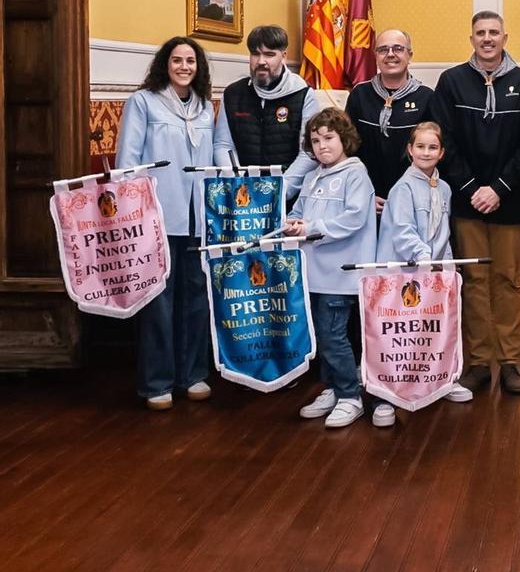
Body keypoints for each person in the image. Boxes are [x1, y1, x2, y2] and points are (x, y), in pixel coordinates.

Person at [430, 11, 520, 395]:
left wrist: (498, 188)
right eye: (481, 33)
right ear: (472, 38)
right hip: (466, 202)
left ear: (505, 37)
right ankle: (478, 362)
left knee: (507, 281)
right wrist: (471, 188)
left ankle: (510, 361)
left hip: (509, 202)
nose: (488, 39)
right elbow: (445, 142)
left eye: (494, 32)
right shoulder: (451, 81)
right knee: (474, 282)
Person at [116, 37, 215, 410]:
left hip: (197, 216)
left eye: (191, 60)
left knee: (195, 298)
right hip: (157, 212)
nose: (184, 66)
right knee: (158, 298)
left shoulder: (206, 107)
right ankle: (157, 382)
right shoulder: (143, 102)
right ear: (165, 64)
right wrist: (133, 211)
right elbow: (128, 160)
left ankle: (193, 374)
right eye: (177, 60)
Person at [374, 121, 474, 426]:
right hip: (402, 272)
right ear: (410, 150)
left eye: (433, 147)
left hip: (432, 272)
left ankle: (439, 380)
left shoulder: (443, 188)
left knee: (430, 330)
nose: (426, 152)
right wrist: (423, 256)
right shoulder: (402, 187)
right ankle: (385, 396)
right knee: (396, 339)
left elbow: (442, 232)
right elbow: (403, 232)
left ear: (442, 153)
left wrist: (445, 266)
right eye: (420, 146)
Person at [286, 108, 376, 429]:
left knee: (333, 334)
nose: (322, 145)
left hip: (341, 274)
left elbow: (352, 219)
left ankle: (351, 396)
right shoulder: (312, 177)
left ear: (344, 139)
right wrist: (291, 224)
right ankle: (334, 388)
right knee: (322, 335)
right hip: (314, 274)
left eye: (329, 138)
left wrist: (308, 227)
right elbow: (297, 211)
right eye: (315, 140)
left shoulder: (355, 174)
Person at [213, 25, 319, 197]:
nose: (261, 61)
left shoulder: (303, 94)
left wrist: (280, 191)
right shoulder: (233, 93)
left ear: (283, 56)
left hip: (287, 197)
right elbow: (223, 144)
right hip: (243, 197)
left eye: (269, 54)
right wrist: (237, 184)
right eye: (255, 54)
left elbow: (309, 151)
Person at [345, 29, 434, 213]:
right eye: (383, 49)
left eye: (398, 49)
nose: (390, 54)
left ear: (410, 55)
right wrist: (365, 194)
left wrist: (406, 197)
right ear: (376, 56)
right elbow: (348, 150)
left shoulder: (427, 97)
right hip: (366, 198)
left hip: (413, 200)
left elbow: (432, 153)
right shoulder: (359, 95)